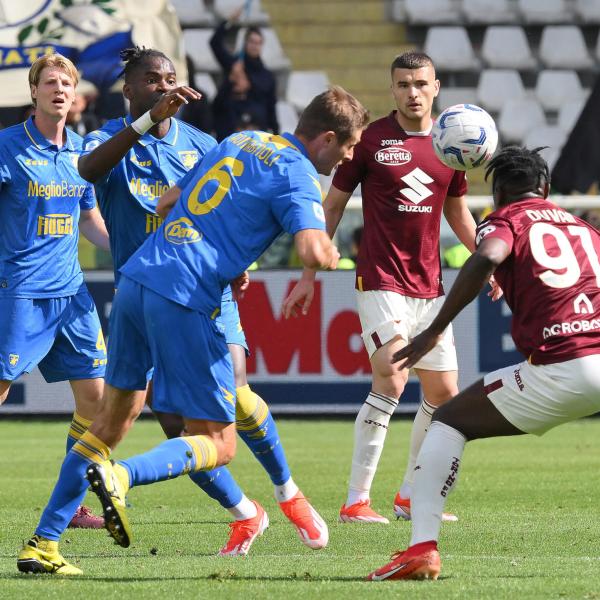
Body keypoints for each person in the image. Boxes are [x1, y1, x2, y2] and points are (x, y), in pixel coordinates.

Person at [17, 85, 369, 575]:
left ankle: (43, 544)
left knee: (110, 421)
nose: (349, 157)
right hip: (184, 295)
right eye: (349, 147)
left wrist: (224, 243)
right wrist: (331, 256)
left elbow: (167, 202)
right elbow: (312, 249)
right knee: (219, 444)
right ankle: (120, 476)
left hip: (139, 277)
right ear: (327, 139)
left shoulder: (242, 140)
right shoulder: (298, 174)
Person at [77, 46, 330, 557]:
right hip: (145, 289)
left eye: (171, 77)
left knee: (234, 395)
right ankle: (244, 511)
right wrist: (148, 122)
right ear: (128, 89)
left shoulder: (202, 142)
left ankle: (287, 493)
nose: (165, 85)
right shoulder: (108, 138)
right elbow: (88, 171)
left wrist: (241, 265)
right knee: (179, 429)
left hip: (204, 291)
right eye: (152, 79)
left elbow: (218, 207)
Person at [367, 145, 600, 580]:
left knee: (449, 420)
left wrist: (435, 328)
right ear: (545, 188)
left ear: (496, 196)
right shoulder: (585, 228)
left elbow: (488, 255)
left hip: (561, 367)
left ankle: (421, 548)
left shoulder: (506, 219)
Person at [283, 51, 485, 524]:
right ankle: (356, 500)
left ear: (435, 87)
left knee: (444, 391)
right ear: (392, 89)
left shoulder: (451, 143)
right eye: (402, 84)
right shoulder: (370, 140)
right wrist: (309, 275)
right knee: (391, 378)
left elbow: (456, 212)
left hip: (431, 287)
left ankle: (411, 494)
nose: (412, 92)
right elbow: (331, 207)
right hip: (380, 277)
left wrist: (487, 264)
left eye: (420, 83)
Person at [0, 54, 110, 531]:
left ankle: (73, 501)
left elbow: (88, 218)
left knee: (97, 398)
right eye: (50, 82)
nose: (59, 89)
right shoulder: (8, 146)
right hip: (21, 292)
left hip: (72, 295)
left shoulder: (82, 152)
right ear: (34, 92)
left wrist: (124, 251)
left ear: (77, 93)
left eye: (67, 82)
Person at [210, 4, 278, 141]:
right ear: (245, 43)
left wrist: (276, 135)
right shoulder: (234, 65)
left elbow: (271, 109)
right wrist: (230, 22)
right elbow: (215, 43)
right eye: (251, 41)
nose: (254, 46)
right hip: (230, 132)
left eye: (258, 43)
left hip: (257, 135)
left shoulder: (267, 76)